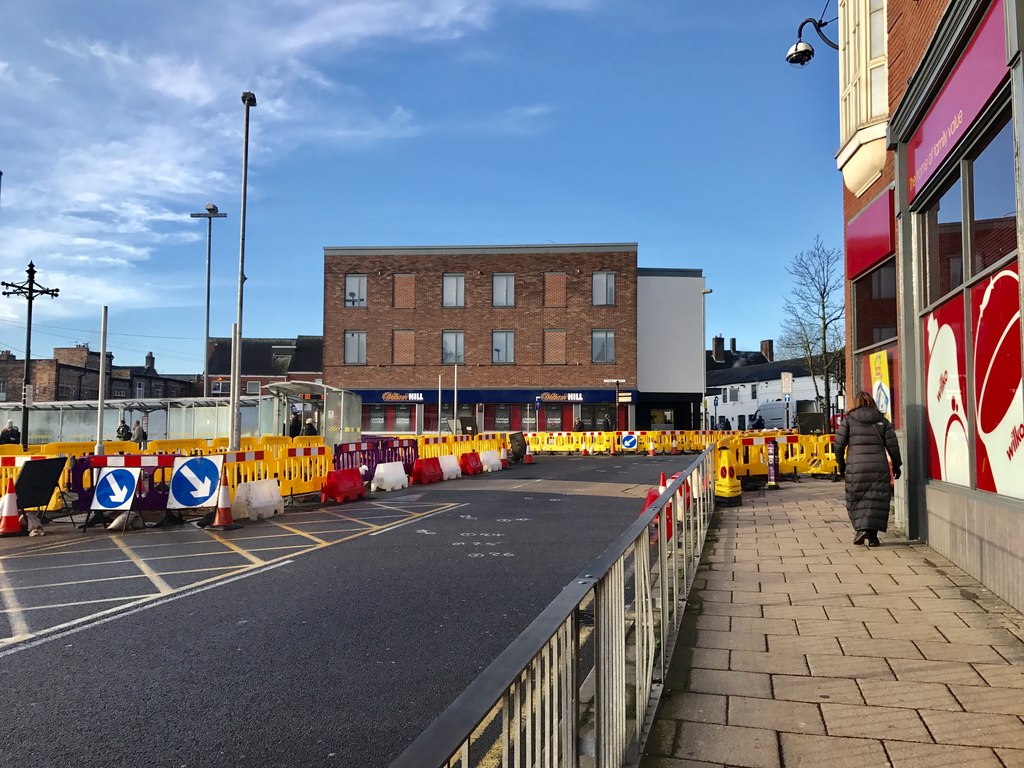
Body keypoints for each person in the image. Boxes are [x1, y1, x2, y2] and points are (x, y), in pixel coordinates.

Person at [834, 391, 902, 547]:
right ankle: (873, 537)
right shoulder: (882, 421)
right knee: (876, 499)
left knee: (856, 498)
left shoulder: (849, 421)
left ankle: (861, 529)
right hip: (878, 466)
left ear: (856, 403)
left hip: (856, 467)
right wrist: (897, 465)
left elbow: (838, 445)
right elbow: (893, 446)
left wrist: (841, 464)